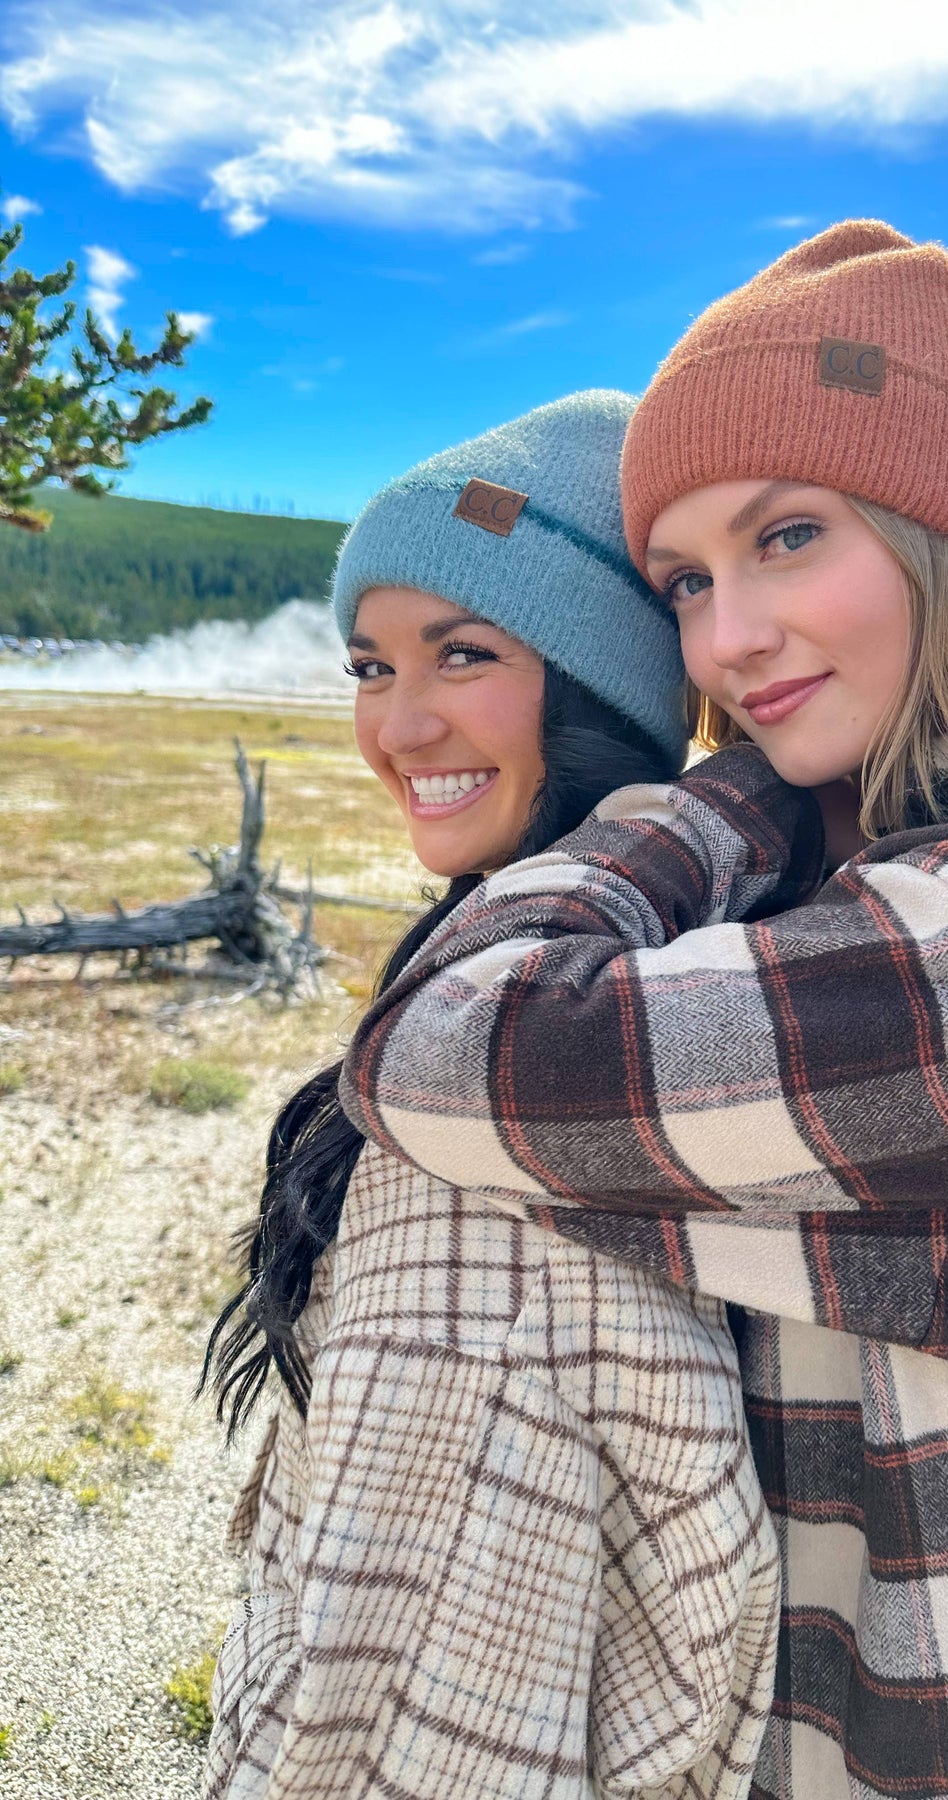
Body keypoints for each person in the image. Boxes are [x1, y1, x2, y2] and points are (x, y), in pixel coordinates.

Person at [340, 224, 948, 1799]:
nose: (725, 639)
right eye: (684, 582)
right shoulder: (908, 874)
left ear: (942, 534)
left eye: (788, 537)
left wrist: (716, 786)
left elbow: (441, 1049)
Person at [201, 391, 780, 1800]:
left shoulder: (486, 1141)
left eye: (463, 654)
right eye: (368, 665)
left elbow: (403, 1725)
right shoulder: (648, 971)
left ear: (603, 686)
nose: (399, 725)